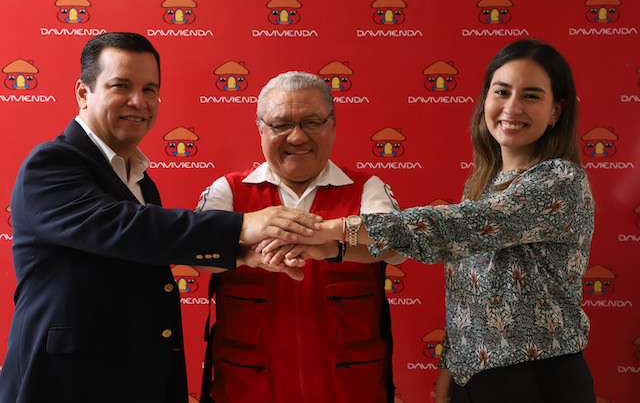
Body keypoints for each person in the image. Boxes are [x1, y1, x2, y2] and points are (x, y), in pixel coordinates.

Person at [0, 32, 320, 403]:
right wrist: (243, 225)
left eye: (150, 89)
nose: (140, 102)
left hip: (135, 378)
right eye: (122, 86)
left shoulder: (138, 177)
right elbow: (120, 227)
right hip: (65, 383)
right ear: (83, 94)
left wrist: (243, 254)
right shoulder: (51, 163)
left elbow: (142, 248)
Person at [271, 40, 596, 403]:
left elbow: (461, 225)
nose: (512, 107)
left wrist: (333, 227)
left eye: (531, 96)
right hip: (470, 380)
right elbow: (466, 298)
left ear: (556, 111)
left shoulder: (560, 180)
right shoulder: (482, 184)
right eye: (501, 91)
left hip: (538, 381)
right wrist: (328, 248)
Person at [195, 71, 405, 403]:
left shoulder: (366, 188)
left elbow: (397, 245)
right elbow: (195, 255)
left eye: (311, 122)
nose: (297, 137)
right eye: (281, 125)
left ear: (332, 127)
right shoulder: (229, 190)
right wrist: (248, 243)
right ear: (261, 130)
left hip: (350, 388)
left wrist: (331, 244)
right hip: (247, 388)